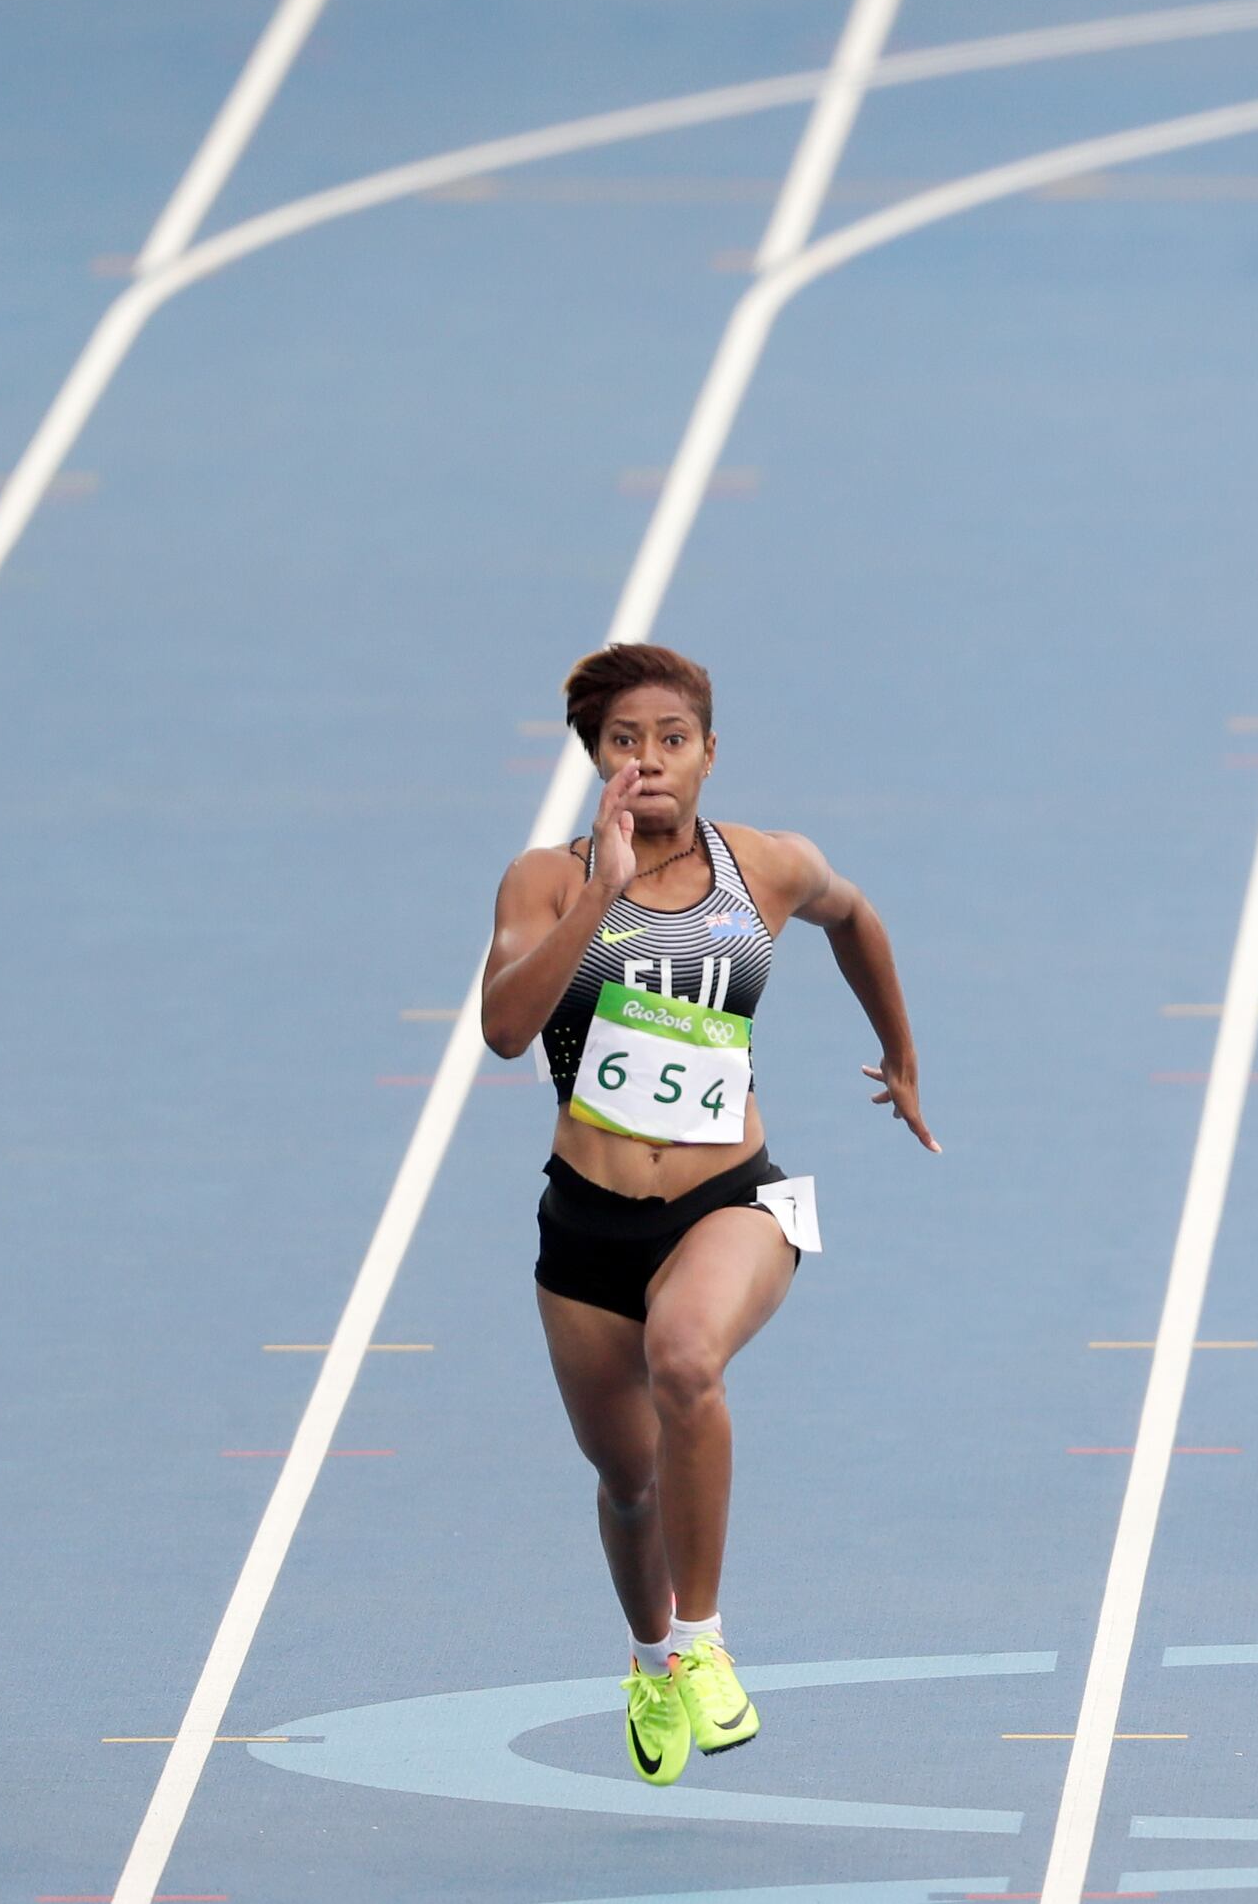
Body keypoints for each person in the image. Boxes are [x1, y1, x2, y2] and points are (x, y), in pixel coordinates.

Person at [478, 642, 937, 1785]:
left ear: (709, 752)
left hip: (733, 1199)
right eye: (626, 742)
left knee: (689, 1360)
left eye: (671, 740)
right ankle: (648, 1658)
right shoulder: (545, 881)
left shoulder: (769, 868)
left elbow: (855, 916)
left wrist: (900, 1053)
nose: (651, 761)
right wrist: (601, 892)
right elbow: (502, 1028)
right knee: (627, 1485)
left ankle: (705, 1643)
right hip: (586, 1228)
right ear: (597, 761)